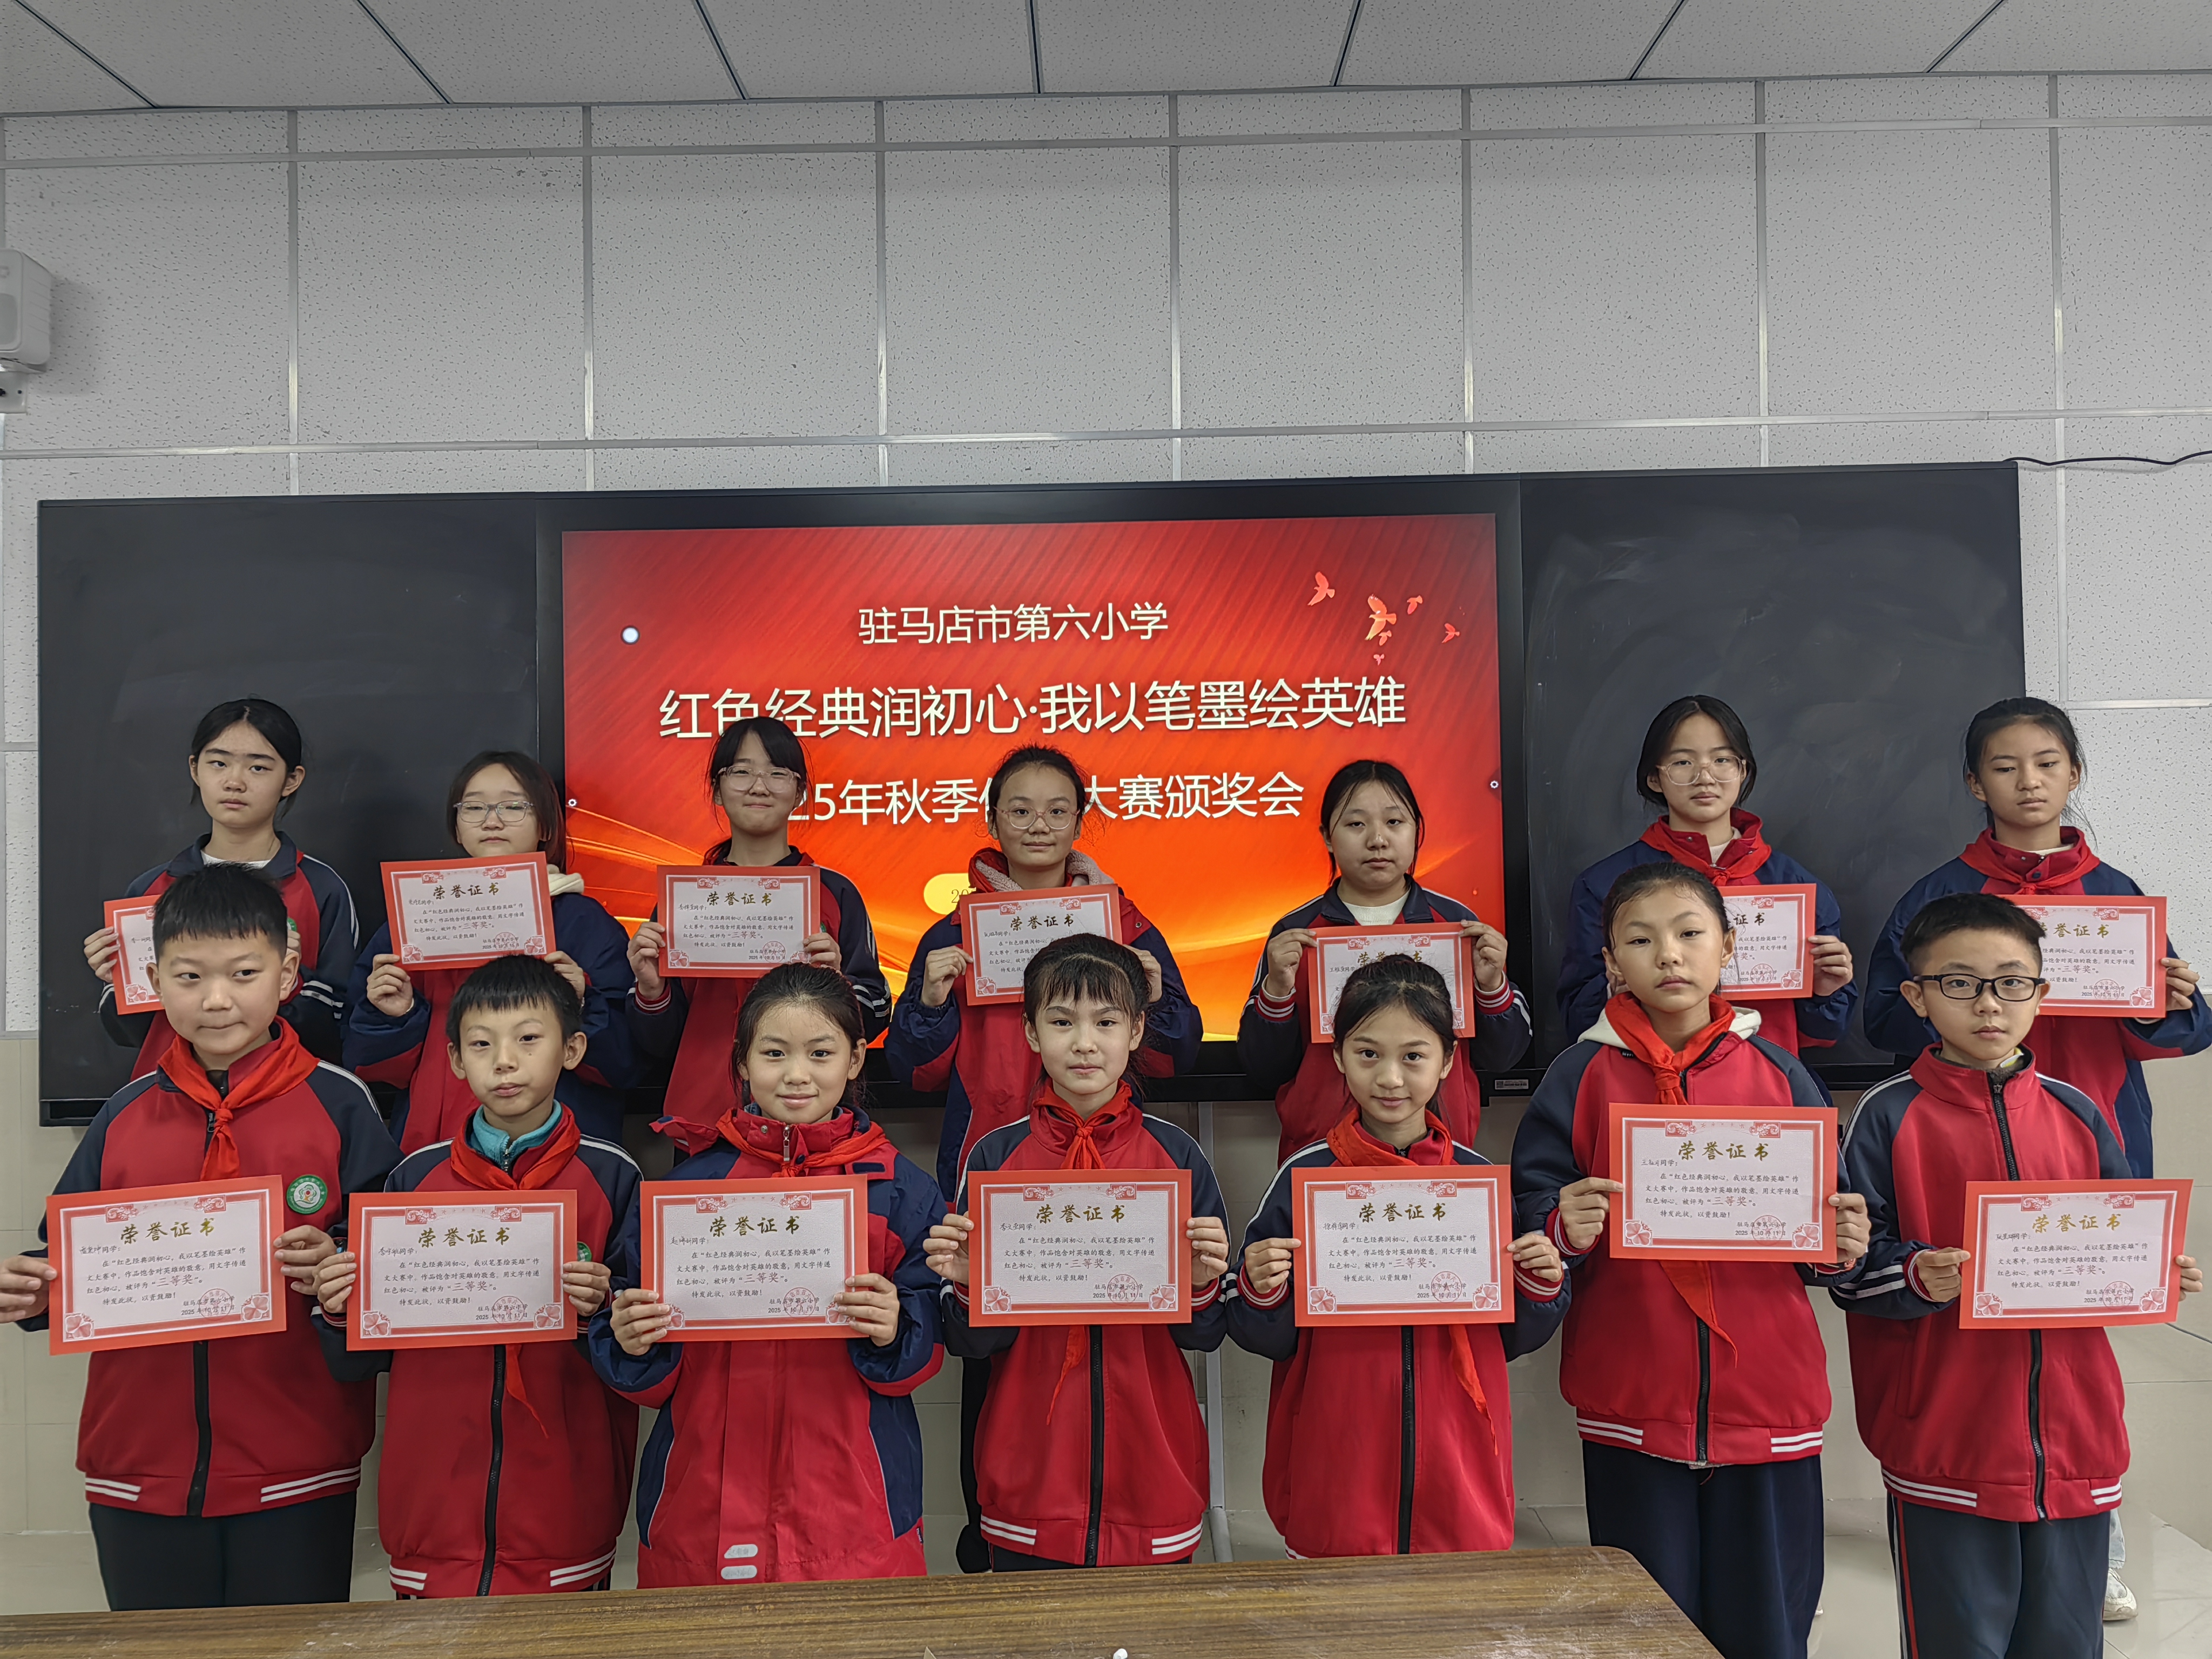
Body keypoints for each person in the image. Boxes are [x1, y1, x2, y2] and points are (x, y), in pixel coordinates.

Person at [1, 867, 399, 1609]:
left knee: (290, 1649)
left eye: (244, 974)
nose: (217, 999)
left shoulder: (341, 1104)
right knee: (156, 1648)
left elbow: (388, 1266)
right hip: (139, 1460)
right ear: (154, 981)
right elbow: (65, 1259)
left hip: (296, 1459)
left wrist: (338, 1264)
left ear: (287, 975)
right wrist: (32, 1289)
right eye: (189, 976)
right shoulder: (124, 1114)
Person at [1512, 861, 1871, 1659]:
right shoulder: (1579, 1073)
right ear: (1611, 962)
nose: (1668, 955)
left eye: (1689, 934)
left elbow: (1827, 1222)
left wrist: (1840, 1247)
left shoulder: (1780, 1072)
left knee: (1766, 1625)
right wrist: (1561, 1225)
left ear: (1728, 947)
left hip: (1767, 1391)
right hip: (1632, 1388)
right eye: (1640, 941)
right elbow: (1531, 1208)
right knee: (1646, 1625)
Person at [1834, 892, 2201, 1657]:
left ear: (2041, 991)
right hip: (1946, 1440)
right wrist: (1918, 1276)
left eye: (2011, 982)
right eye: (1959, 983)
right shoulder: (1885, 1115)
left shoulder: (2077, 1111)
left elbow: (2117, 1233)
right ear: (1917, 998)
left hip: (2077, 1439)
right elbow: (1847, 1270)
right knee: (1958, 1643)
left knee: (2067, 1642)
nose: (1988, 1003)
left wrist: (2153, 1269)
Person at [890, 745, 1203, 1572]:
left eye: (1057, 809)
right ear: (992, 818)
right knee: (997, 1370)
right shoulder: (952, 932)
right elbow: (911, 1072)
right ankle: (995, 1540)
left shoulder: (1126, 925)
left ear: (1080, 820)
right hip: (1002, 1174)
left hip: (1114, 1175)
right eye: (1020, 809)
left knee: (1120, 1368)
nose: (1038, 824)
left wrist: (1156, 990)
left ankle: (1122, 1534)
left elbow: (1177, 1052)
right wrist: (929, 1001)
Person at [594, 964, 944, 1586]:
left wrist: (898, 1326)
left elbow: (933, 1337)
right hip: (701, 1505)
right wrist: (630, 1336)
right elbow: (638, 1360)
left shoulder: (900, 1190)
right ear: (742, 1062)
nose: (796, 1074)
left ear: (856, 1059)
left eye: (820, 1053)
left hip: (853, 1512)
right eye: (774, 1053)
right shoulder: (685, 1192)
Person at [313, 954, 640, 1597]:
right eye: (482, 1045)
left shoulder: (613, 1176)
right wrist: (337, 1306)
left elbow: (643, 1347)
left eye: (529, 1039)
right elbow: (361, 1355)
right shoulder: (413, 1179)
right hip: (431, 1500)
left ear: (573, 1050)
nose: (505, 1062)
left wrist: (607, 1307)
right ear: (456, 1060)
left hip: (564, 1503)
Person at [1229, 955, 1568, 1556]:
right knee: (1338, 1604)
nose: (1389, 1078)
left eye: (1413, 1056)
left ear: (1447, 1061)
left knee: (1454, 1600)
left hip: (1458, 1456)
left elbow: (1510, 1338)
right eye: (1368, 1054)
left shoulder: (1476, 1183)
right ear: (1338, 1057)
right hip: (1339, 1455)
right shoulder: (1305, 1178)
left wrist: (1541, 1284)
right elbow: (1269, 1337)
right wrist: (1260, 1288)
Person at [925, 934, 1230, 1572]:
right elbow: (971, 1344)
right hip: (1028, 1479)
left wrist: (1202, 1283)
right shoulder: (994, 1157)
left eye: (1106, 1022)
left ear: (1137, 1031)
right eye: (1062, 1022)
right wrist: (966, 1285)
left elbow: (1202, 1334)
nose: (1084, 1043)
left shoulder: (1176, 1155)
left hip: (1154, 1471)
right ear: (1031, 1033)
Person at [1864, 697, 2209, 1176]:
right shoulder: (1939, 895)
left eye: (2047, 764)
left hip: (2098, 1122)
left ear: (2073, 774)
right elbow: (1884, 1021)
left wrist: (2159, 1009)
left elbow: (2183, 1036)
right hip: (1966, 1133)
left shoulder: (2114, 896)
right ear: (1976, 784)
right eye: (2005, 768)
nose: (2029, 781)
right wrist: (1954, 997)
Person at [346, 751, 638, 1151]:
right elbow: (368, 1066)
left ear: (546, 825)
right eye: (474, 807)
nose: (492, 820)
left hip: (555, 1151)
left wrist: (583, 1005)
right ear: (457, 826)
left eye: (513, 806)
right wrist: (397, 1016)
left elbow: (625, 1065)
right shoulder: (415, 917)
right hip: (438, 1147)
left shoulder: (583, 923)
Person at [1239, 759, 1528, 1163]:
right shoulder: (1296, 933)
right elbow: (1264, 1068)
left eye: (1394, 822)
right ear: (1327, 837)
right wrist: (1276, 993)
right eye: (1356, 824)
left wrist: (1491, 987)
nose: (1377, 840)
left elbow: (1503, 1057)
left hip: (1438, 1154)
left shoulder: (1459, 928)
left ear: (1416, 831)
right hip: (1322, 1156)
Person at [1557, 696, 1856, 1057]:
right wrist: (1615, 989)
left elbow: (1828, 1033)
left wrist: (1823, 992)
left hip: (1764, 1082)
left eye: (1722, 760)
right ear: (1654, 778)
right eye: (1683, 762)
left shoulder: (1798, 889)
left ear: (1743, 771)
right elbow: (1577, 1022)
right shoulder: (1605, 885)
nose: (1705, 777)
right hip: (1650, 1081)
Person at [628, 718, 890, 1127]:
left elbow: (875, 1013)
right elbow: (658, 1043)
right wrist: (650, 989)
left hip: (809, 1113)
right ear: (717, 789)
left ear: (800, 793)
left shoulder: (835, 894)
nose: (759, 786)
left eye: (777, 773)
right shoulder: (684, 900)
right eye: (742, 772)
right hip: (706, 1122)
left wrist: (837, 984)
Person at [83, 698, 358, 1072]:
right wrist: (119, 983)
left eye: (258, 767)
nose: (234, 782)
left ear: (291, 780)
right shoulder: (151, 890)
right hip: (172, 1091)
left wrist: (290, 980)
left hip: (285, 1089)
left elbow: (343, 1025)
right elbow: (129, 1034)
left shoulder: (322, 888)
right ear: (195, 769)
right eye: (218, 763)